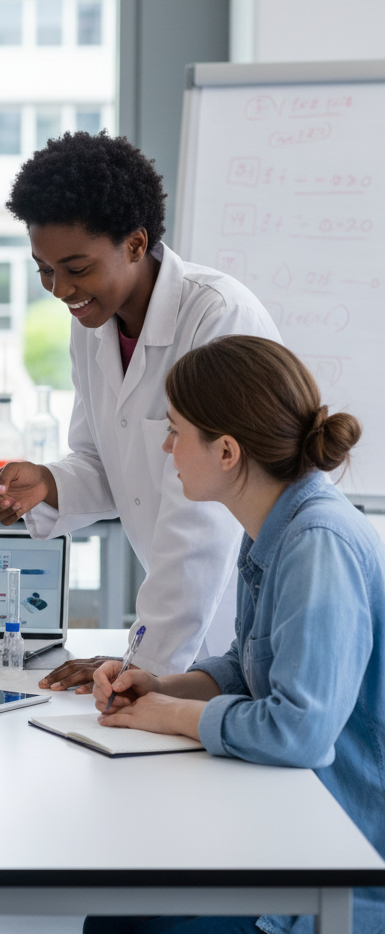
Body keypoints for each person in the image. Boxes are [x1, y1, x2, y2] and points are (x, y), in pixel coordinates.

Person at [0, 131, 280, 685]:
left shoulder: (217, 319)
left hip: (241, 611)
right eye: (44, 269)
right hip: (183, 623)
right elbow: (102, 460)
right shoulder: (94, 324)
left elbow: (200, 520)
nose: (59, 289)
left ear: (134, 243)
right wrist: (48, 483)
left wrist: (143, 665)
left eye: (76, 268)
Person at [87, 335, 385, 934]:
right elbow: (249, 667)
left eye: (176, 431)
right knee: (115, 913)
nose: (168, 448)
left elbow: (296, 730)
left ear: (226, 451)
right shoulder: (274, 524)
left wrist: (166, 712)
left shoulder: (316, 544)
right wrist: (162, 684)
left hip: (334, 866)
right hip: (280, 828)